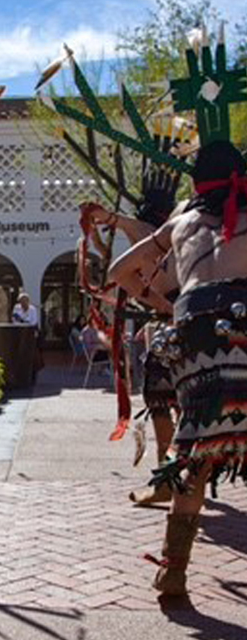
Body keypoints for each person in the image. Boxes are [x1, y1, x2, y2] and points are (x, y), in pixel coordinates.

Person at [109, 140, 247, 595]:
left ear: (195, 183)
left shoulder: (181, 223)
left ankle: (173, 570)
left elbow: (118, 272)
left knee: (197, 456)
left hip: (196, 335)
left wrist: (171, 306)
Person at [83, 201, 180, 505]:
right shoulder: (188, 232)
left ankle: (173, 479)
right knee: (170, 404)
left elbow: (135, 229)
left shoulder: (165, 232)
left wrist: (111, 218)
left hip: (177, 327)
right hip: (178, 323)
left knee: (169, 404)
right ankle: (175, 476)